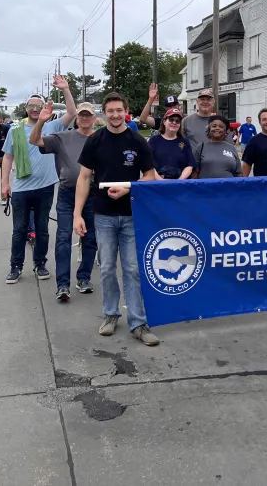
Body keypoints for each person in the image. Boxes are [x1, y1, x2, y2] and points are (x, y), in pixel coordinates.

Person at [74, 92, 159, 346]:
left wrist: (128, 188)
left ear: (126, 112)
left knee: (132, 269)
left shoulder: (137, 140)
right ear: (104, 113)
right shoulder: (95, 141)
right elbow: (84, 178)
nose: (115, 115)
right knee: (108, 268)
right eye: (110, 111)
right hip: (103, 216)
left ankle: (139, 323)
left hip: (132, 215)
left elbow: (150, 176)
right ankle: (111, 315)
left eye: (119, 111)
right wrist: (78, 214)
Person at [1, 75, 77, 284]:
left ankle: (40, 263)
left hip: (45, 188)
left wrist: (66, 89)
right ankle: (15, 267)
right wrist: (5, 184)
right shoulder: (14, 131)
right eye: (31, 106)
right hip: (21, 189)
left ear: (45, 108)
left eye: (39, 106)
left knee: (42, 229)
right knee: (19, 230)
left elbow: (72, 113)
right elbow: (7, 157)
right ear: (25, 107)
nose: (35, 109)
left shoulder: (51, 127)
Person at [30, 100, 98, 301]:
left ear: (94, 118)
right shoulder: (63, 137)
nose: (85, 118)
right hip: (68, 193)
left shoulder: (101, 138)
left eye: (88, 115)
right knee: (63, 238)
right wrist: (41, 121)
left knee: (90, 237)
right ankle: (62, 285)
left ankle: (84, 278)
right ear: (77, 117)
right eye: (81, 115)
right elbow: (35, 141)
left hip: (93, 195)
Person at [148, 108, 195, 180]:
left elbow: (189, 165)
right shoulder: (154, 141)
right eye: (171, 119)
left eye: (177, 121)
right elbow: (149, 164)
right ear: (164, 121)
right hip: (158, 184)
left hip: (180, 184)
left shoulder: (185, 142)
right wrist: (161, 181)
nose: (174, 122)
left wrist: (179, 181)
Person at [242, 108, 267, 177]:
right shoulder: (253, 141)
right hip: (261, 183)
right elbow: (247, 164)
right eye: (264, 119)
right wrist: (242, 183)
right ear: (260, 123)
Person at [182, 88, 216, 153]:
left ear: (213, 102)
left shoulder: (220, 122)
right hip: (193, 161)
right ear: (197, 102)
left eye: (208, 99)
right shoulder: (186, 121)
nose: (205, 102)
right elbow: (180, 143)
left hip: (214, 161)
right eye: (202, 99)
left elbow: (228, 146)